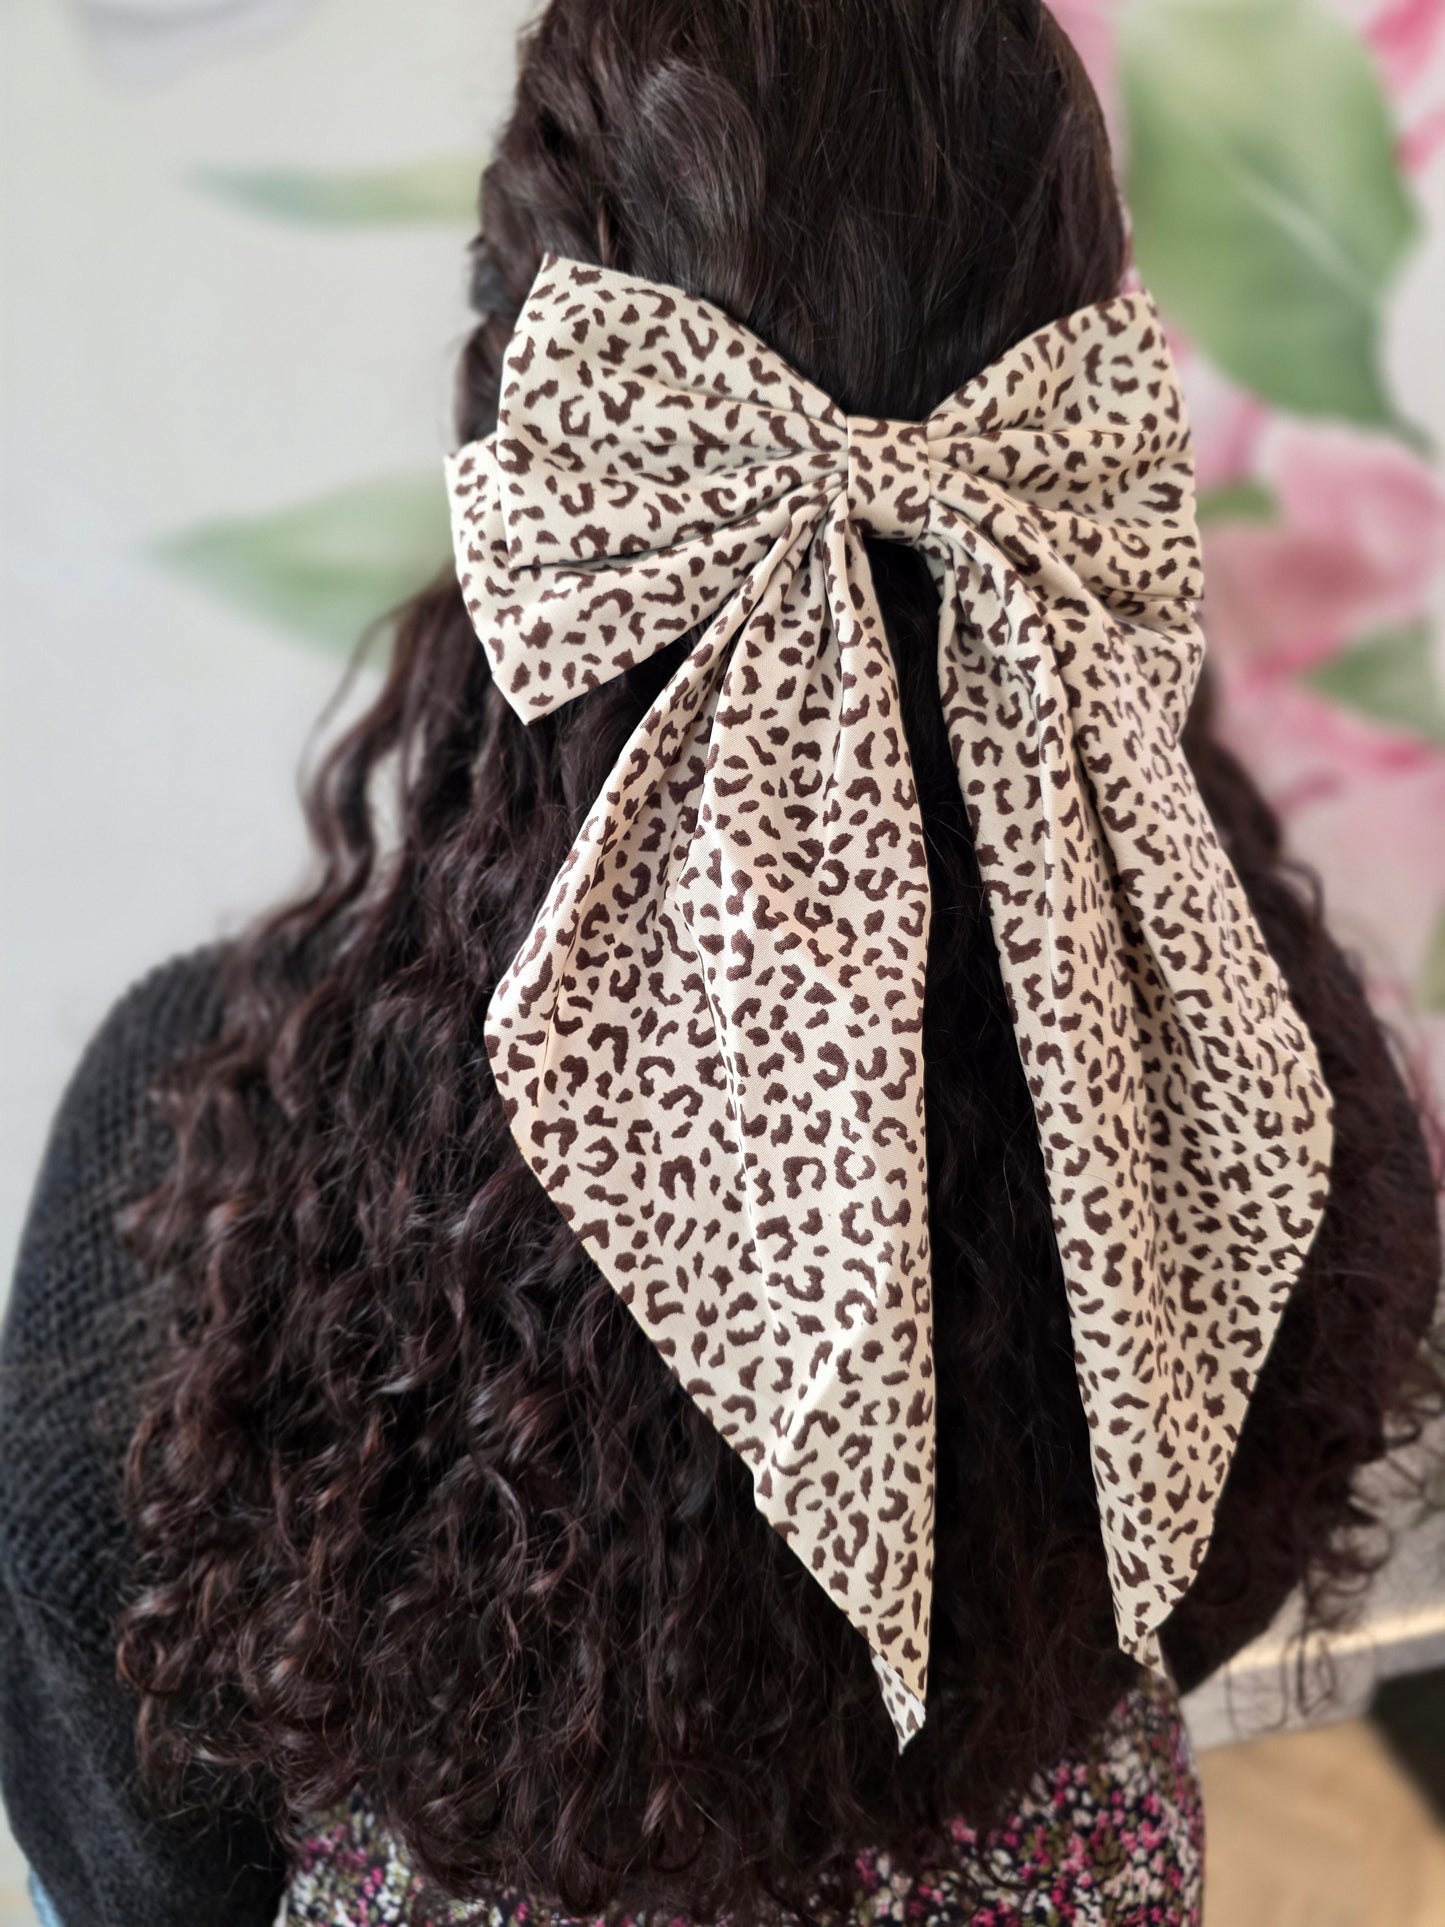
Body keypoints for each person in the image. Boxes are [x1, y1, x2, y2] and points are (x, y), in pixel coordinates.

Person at [3, 3, 1441, 1923]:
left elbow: (136, 1855)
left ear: (526, 426)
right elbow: (1200, 1578)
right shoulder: (1243, 1055)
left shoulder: (206, 1145)